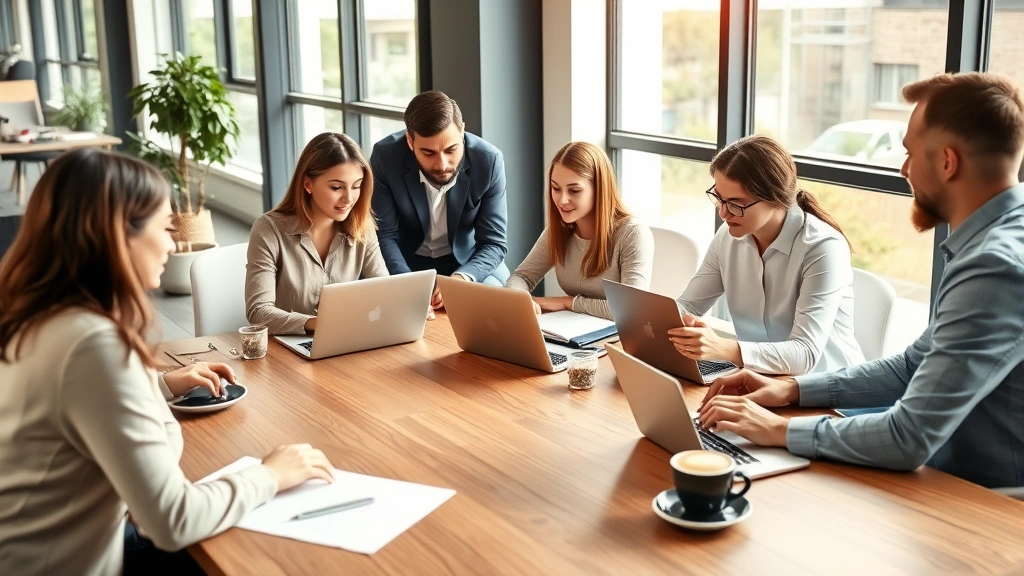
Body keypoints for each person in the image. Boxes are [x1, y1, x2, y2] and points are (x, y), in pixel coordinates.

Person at [0, 148, 336, 575]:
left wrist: (157, 384)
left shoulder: (44, 317)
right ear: (118, 235)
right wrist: (272, 474)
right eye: (164, 226)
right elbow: (172, 520)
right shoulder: (94, 346)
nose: (174, 241)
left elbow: (66, 405)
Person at [698, 72, 1024, 490]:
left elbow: (908, 438)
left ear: (947, 161)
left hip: (984, 505)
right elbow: (912, 365)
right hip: (945, 482)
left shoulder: (996, 266)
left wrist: (778, 431)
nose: (903, 169)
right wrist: (792, 391)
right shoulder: (994, 243)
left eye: (909, 154)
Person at [668, 135, 864, 375]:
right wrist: (658, 324)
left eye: (736, 204)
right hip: (762, 380)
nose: (723, 213)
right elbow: (688, 305)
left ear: (775, 199)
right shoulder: (727, 238)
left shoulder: (823, 248)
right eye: (719, 198)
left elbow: (804, 354)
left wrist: (723, 348)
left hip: (830, 392)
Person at [370, 90, 509, 310]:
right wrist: (409, 284)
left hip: (467, 262)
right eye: (428, 153)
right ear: (409, 140)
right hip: (408, 263)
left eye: (451, 150)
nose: (442, 164)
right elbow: (385, 235)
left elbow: (493, 243)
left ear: (462, 130)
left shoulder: (489, 161)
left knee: (493, 305)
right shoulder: (385, 157)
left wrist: (461, 280)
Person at [247, 132, 394, 335]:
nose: (349, 199)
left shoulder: (362, 227)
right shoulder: (268, 229)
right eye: (336, 187)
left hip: (344, 339)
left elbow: (385, 291)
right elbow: (258, 313)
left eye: (356, 186)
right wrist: (318, 323)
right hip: (287, 349)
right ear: (308, 184)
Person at [505, 141, 654, 320]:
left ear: (599, 189)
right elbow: (521, 277)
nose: (562, 200)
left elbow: (632, 310)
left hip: (619, 337)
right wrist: (522, 299)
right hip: (574, 331)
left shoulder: (633, 234)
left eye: (574, 191)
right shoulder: (558, 231)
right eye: (556, 188)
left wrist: (569, 302)